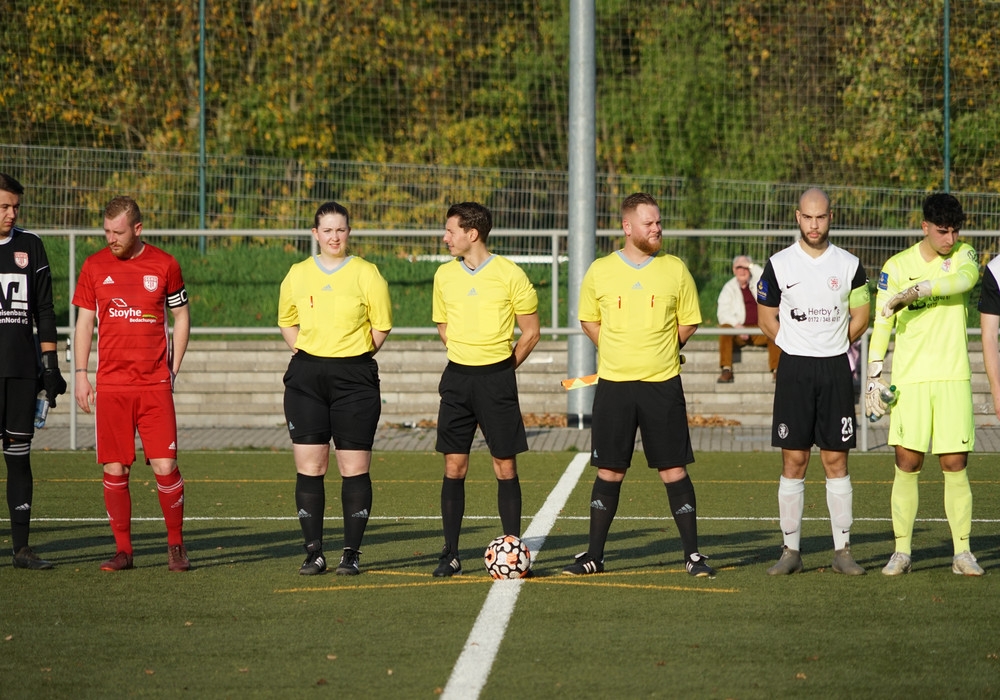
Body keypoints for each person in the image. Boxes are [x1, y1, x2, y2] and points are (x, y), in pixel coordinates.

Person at [562, 192, 715, 577]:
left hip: (662, 385)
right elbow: (589, 319)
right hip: (614, 386)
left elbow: (689, 321)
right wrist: (617, 350)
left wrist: (661, 350)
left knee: (674, 470)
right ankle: (595, 556)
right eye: (649, 223)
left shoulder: (675, 269)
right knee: (609, 471)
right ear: (627, 227)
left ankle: (693, 555)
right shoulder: (600, 270)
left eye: (659, 222)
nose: (657, 229)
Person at [867, 193, 983, 576]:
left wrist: (920, 290)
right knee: (907, 462)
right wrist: (873, 374)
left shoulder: (964, 254)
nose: (950, 239)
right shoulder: (897, 266)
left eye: (954, 231)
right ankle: (902, 552)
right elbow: (883, 319)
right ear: (925, 227)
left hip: (952, 375)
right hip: (911, 379)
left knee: (955, 463)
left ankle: (963, 553)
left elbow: (966, 279)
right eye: (942, 231)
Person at [73, 196, 191, 572]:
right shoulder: (93, 266)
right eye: (107, 231)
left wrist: (173, 369)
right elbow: (84, 323)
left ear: (137, 229)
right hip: (112, 387)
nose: (111, 239)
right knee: (115, 469)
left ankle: (176, 546)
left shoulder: (165, 264)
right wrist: (81, 374)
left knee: (165, 465)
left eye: (118, 232)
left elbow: (182, 316)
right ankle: (123, 550)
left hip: (154, 385)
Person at [756, 188, 870, 576]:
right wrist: (794, 345)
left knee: (836, 459)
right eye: (808, 217)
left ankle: (843, 551)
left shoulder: (851, 265)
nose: (814, 224)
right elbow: (765, 317)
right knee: (795, 460)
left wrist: (834, 345)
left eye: (821, 217)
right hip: (795, 370)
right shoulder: (779, 264)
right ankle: (790, 551)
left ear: (830, 217)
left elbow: (862, 315)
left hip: (835, 368)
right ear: (797, 217)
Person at [278, 202, 392, 576]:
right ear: (315, 234)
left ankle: (351, 554)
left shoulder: (367, 273)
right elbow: (287, 321)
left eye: (340, 230)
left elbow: (381, 326)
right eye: (327, 230)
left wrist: (354, 356)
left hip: (355, 379)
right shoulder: (297, 274)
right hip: (306, 379)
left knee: (353, 466)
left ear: (349, 233)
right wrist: (307, 352)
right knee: (310, 466)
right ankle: (313, 552)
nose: (334, 237)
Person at [430, 201, 540, 576]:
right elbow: (443, 325)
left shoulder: (510, 274)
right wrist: (466, 354)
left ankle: (513, 550)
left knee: (504, 465)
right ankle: (451, 553)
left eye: (450, 231)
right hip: (457, 380)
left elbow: (531, 332)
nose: (445, 238)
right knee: (454, 465)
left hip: (497, 381)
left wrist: (502, 369)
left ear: (471, 233)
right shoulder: (444, 276)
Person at [0, 173, 67, 570]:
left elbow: (44, 311)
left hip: (22, 372)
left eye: (15, 207)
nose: (12, 214)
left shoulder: (31, 245)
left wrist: (51, 366)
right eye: (4, 207)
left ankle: (21, 549)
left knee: (19, 458)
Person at [716, 254, 780, 383]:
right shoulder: (729, 288)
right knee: (725, 328)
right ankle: (726, 369)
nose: (742, 271)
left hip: (760, 329)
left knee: (775, 329)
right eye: (739, 267)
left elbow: (768, 276)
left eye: (745, 267)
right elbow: (722, 313)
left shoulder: (758, 282)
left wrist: (751, 265)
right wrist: (737, 326)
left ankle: (777, 371)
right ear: (734, 270)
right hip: (739, 330)